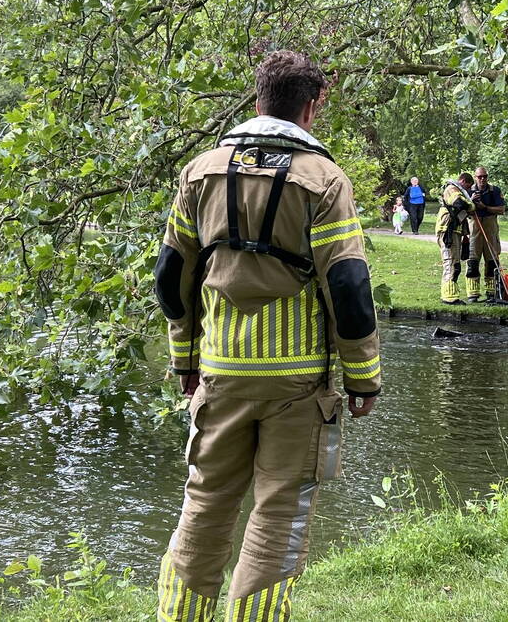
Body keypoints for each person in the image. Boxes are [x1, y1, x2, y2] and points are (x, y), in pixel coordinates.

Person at [152, 50, 381, 622]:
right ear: (312, 106)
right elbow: (348, 287)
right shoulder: (324, 182)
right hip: (296, 384)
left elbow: (172, 279)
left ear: (258, 100)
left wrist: (185, 361)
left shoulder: (200, 173)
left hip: (220, 372)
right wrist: (363, 378)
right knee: (279, 516)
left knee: (205, 505)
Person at [465, 167, 506, 302]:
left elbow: (501, 209)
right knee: (472, 260)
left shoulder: (495, 190)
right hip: (474, 226)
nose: (482, 179)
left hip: (490, 226)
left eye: (485, 176)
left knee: (492, 260)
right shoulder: (468, 191)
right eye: (479, 176)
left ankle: (491, 292)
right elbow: (462, 210)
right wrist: (471, 201)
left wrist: (485, 207)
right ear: (475, 177)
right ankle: (473, 293)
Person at [436, 172, 475, 304]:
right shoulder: (452, 189)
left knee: (455, 263)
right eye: (468, 186)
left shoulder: (457, 190)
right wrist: (471, 205)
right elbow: (459, 203)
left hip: (454, 231)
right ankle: (449, 298)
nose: (468, 189)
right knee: (451, 263)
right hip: (447, 231)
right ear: (463, 181)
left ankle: (451, 294)